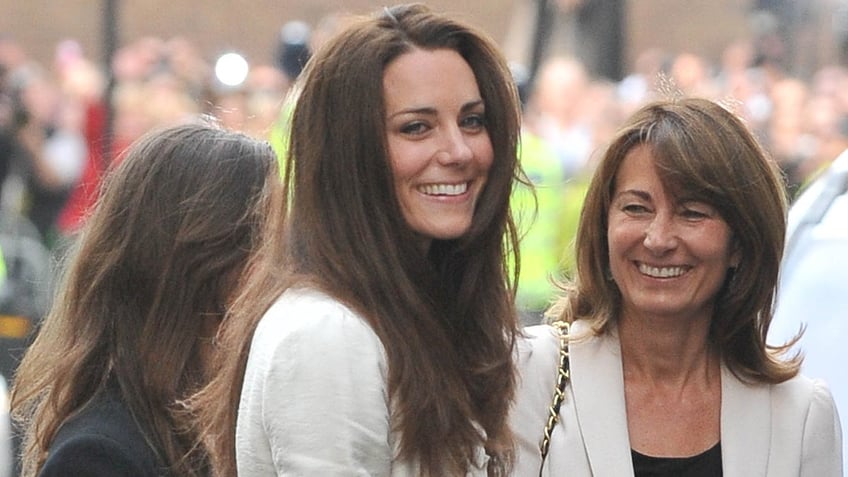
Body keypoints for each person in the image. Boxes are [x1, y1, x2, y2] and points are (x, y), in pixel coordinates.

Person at [191, 4, 523, 476]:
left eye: (472, 121)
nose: (459, 151)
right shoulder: (326, 334)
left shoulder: (418, 314)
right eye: (416, 127)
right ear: (349, 152)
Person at [510, 97, 843, 476]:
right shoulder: (524, 378)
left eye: (692, 213)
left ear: (740, 243)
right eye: (637, 208)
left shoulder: (799, 416)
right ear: (604, 226)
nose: (658, 239)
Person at [10, 121, 278, 476]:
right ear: (211, 260)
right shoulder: (100, 453)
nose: (286, 264)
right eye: (271, 238)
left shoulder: (213, 420)